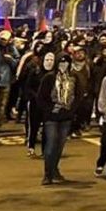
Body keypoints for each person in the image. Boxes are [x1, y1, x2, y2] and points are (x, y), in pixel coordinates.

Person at [36, 54, 76, 185]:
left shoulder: (73, 78)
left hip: (66, 117)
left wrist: (71, 109)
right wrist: (50, 109)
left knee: (59, 146)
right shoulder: (49, 78)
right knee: (51, 145)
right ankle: (47, 174)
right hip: (51, 117)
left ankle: (54, 170)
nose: (63, 66)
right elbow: (41, 97)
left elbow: (79, 96)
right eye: (61, 63)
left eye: (66, 63)